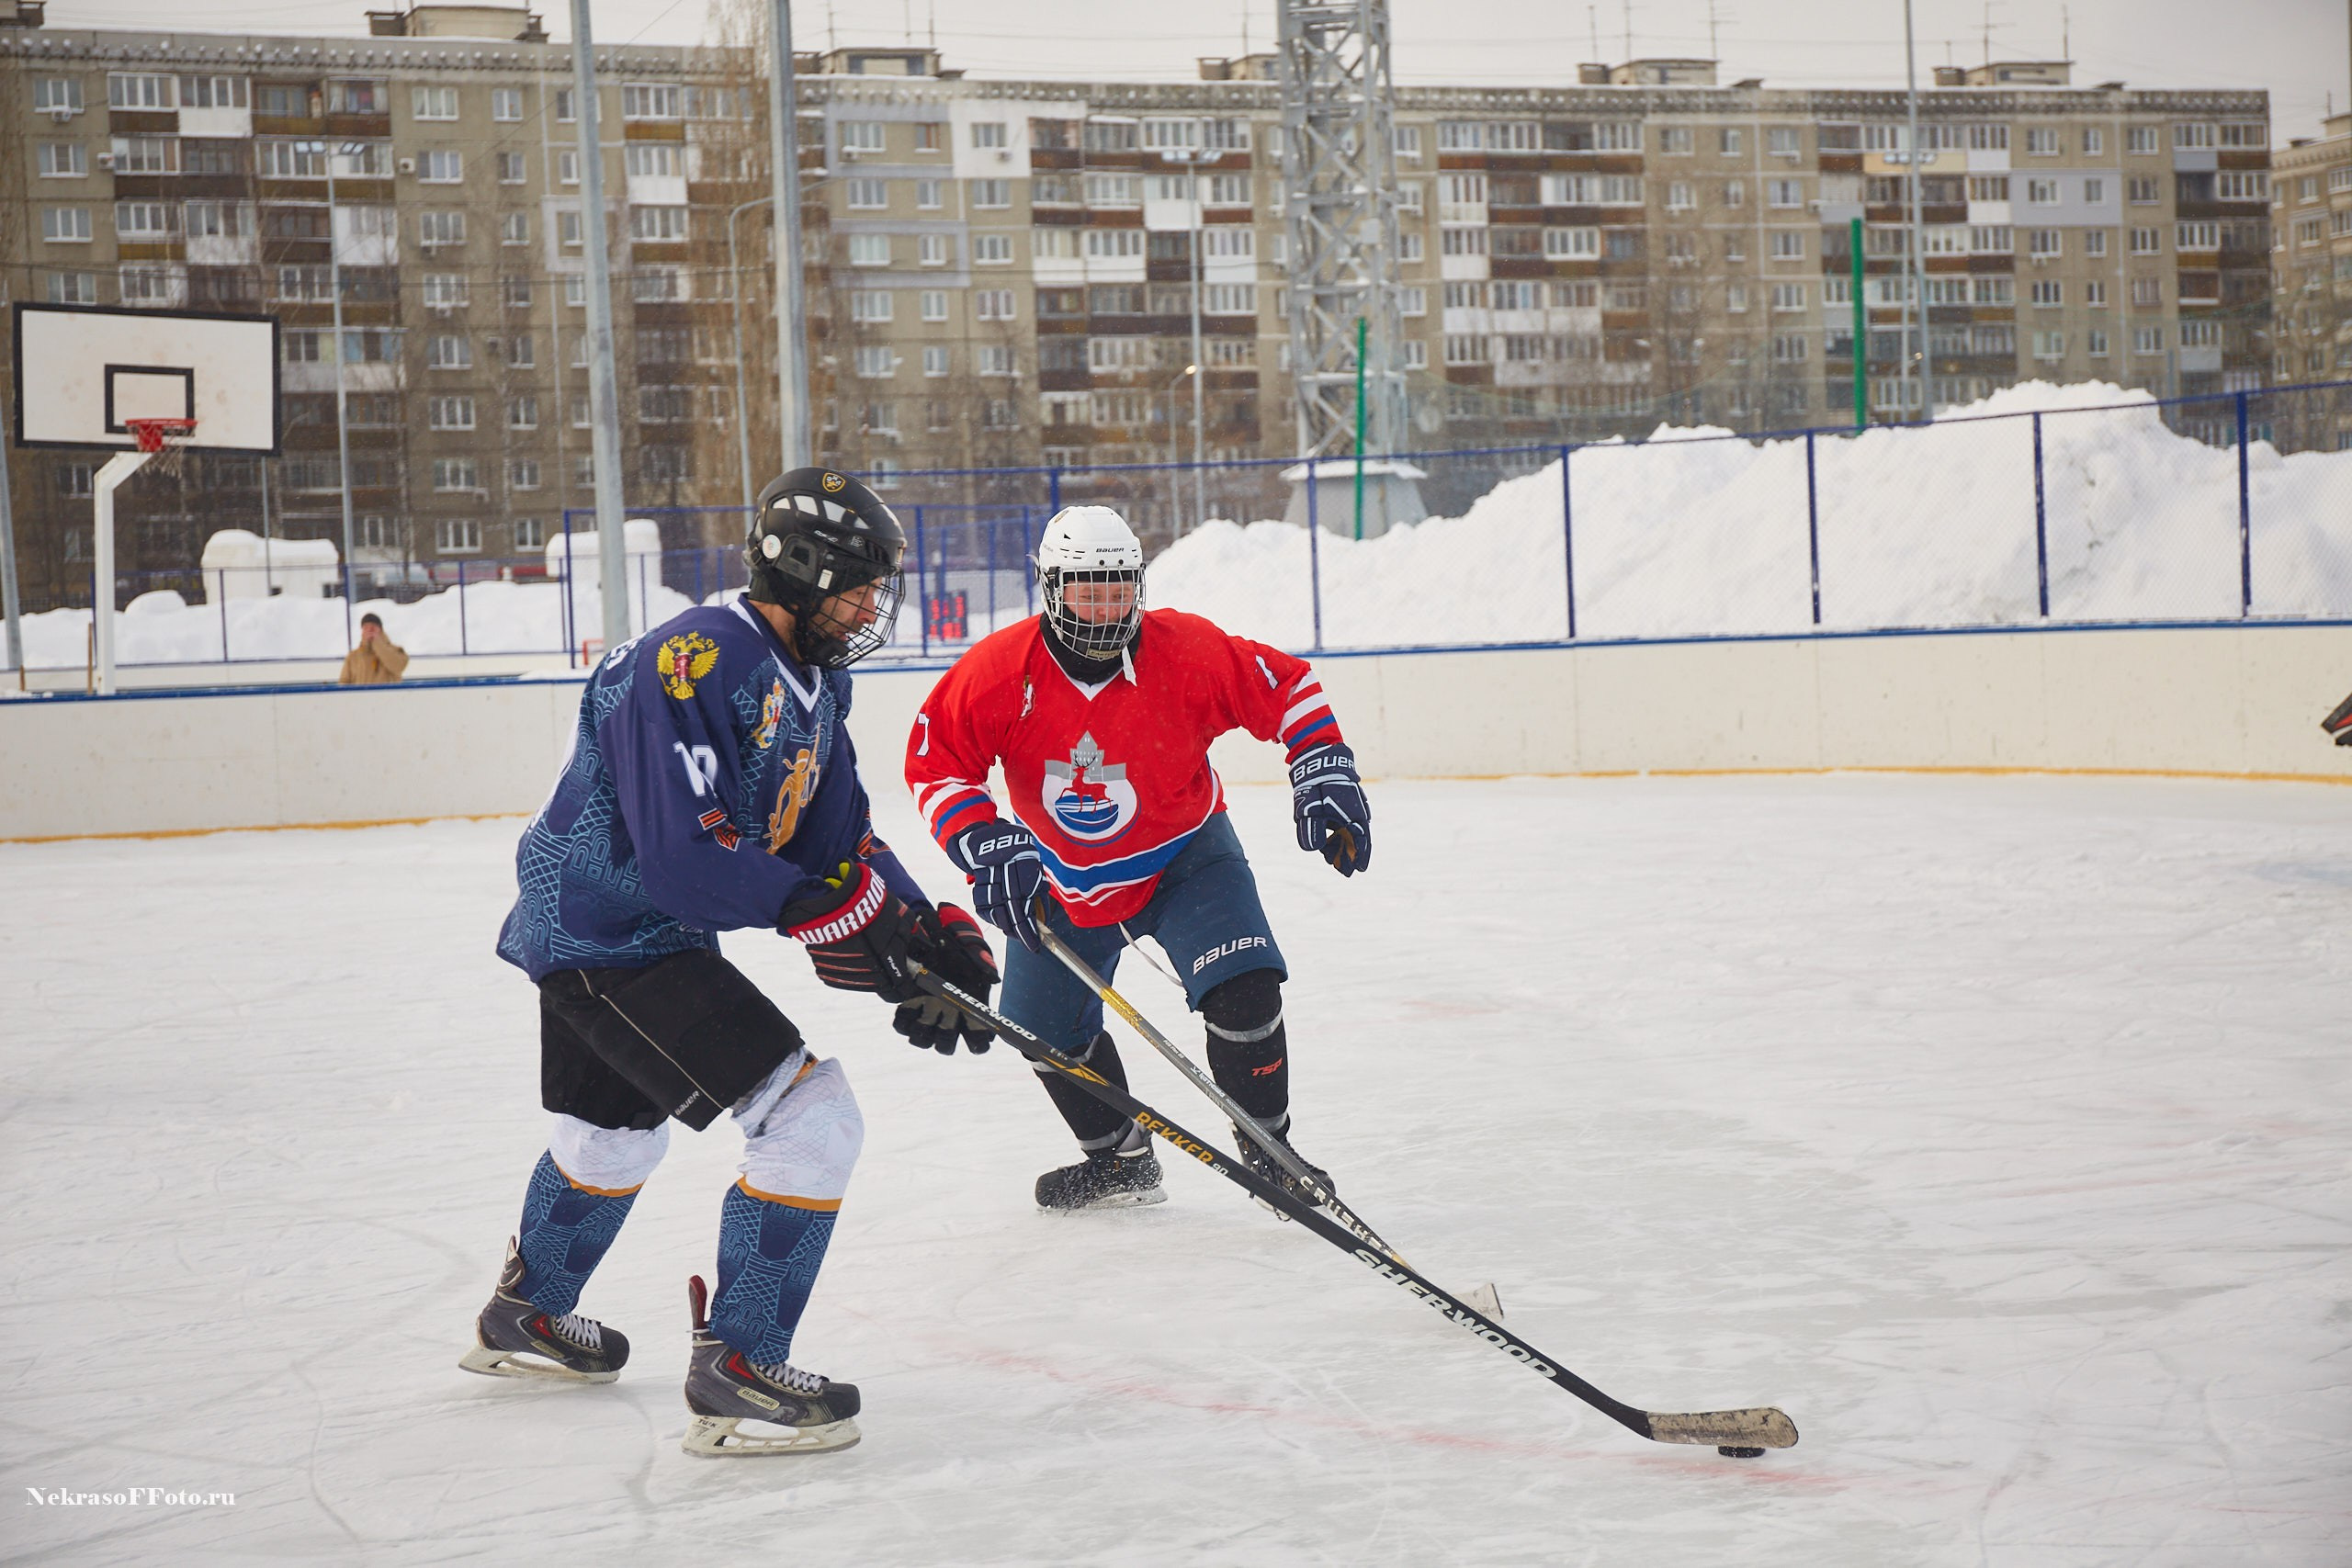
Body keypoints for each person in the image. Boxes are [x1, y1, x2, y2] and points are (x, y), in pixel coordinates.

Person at [461, 468, 1000, 1459]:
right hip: (607, 932)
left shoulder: (815, 680)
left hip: (626, 928)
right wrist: (831, 917)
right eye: (858, 585)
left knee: (615, 1132)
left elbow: (838, 840)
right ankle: (740, 1368)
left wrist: (928, 938)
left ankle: (526, 1314)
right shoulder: (689, 660)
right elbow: (684, 856)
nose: (872, 606)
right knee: (810, 1116)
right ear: (800, 573)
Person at [904, 505, 1372, 1213]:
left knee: (1245, 991)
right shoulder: (1000, 670)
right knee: (1040, 1031)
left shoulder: (1186, 649)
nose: (1103, 608)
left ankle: (1271, 1153)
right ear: (1050, 588)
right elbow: (936, 764)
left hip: (1185, 858)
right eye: (1086, 591)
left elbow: (1288, 687)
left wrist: (1322, 763)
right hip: (1058, 876)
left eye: (1118, 588)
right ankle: (1119, 1160)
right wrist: (983, 840)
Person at [338, 613, 407, 684]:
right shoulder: (353, 656)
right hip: (360, 695)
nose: (369, 631)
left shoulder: (396, 651)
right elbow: (344, 682)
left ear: (381, 630)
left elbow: (397, 667)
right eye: (366, 628)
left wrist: (377, 643)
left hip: (387, 695)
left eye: (373, 628)